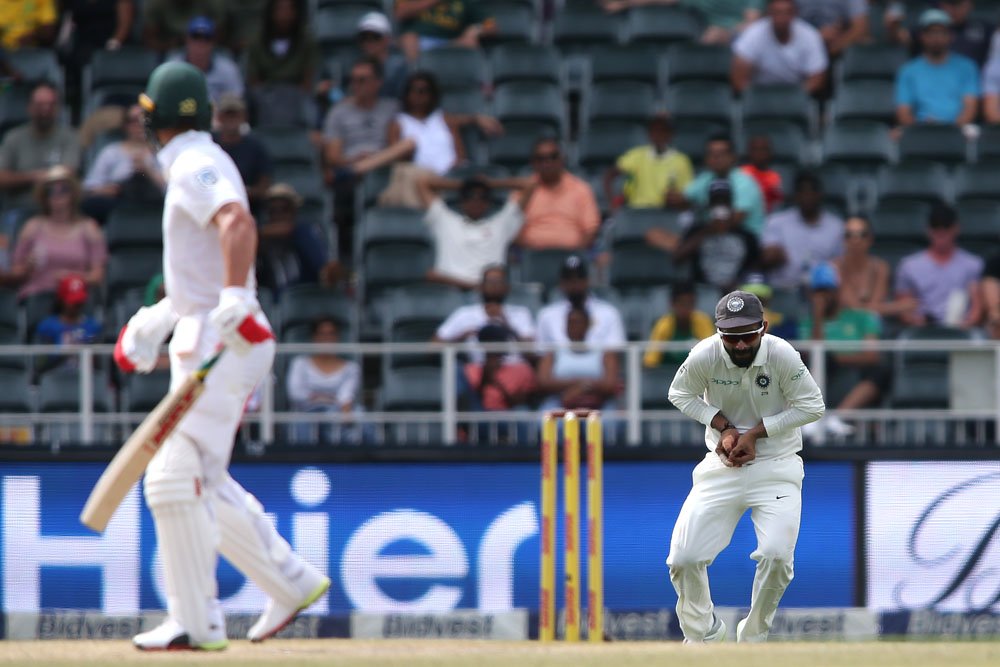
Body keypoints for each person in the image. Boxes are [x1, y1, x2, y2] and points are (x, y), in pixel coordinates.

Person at [113, 62, 328, 651]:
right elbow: (199, 278)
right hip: (212, 334)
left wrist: (235, 297)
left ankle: (196, 622)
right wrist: (155, 322)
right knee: (199, 478)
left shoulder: (193, 163)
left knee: (171, 479)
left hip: (223, 341)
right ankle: (289, 581)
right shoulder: (195, 160)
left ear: (153, 118)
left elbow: (237, 221)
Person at [666, 289, 824, 643]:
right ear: (719, 332)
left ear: (763, 328)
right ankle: (704, 636)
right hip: (721, 466)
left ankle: (753, 639)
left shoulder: (781, 354)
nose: (739, 345)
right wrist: (723, 428)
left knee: (777, 557)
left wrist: (755, 434)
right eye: (730, 337)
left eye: (748, 336)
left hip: (777, 465)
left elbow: (813, 405)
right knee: (684, 558)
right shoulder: (706, 353)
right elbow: (679, 393)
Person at [798, 262, 887, 441]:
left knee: (881, 370)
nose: (824, 296)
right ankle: (811, 417)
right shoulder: (808, 323)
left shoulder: (861, 317)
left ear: (837, 291)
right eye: (818, 291)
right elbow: (814, 352)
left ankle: (837, 418)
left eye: (828, 290)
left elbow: (872, 355)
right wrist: (818, 316)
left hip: (854, 369)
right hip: (823, 368)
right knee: (813, 361)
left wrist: (838, 358)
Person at [416, 173, 536, 290]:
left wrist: (488, 183)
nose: (476, 201)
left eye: (482, 197)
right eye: (470, 196)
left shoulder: (501, 224)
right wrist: (467, 184)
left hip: (488, 294)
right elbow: (422, 183)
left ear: (488, 203)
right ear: (462, 201)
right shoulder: (445, 220)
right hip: (449, 291)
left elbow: (528, 184)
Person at [5, 166, 107, 299]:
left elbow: (98, 276)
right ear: (44, 196)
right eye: (50, 191)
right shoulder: (32, 226)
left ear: (73, 194)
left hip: (75, 297)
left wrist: (71, 277)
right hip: (38, 295)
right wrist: (27, 266)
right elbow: (15, 271)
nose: (57, 195)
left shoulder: (89, 227)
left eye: (64, 189)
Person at [652, 179, 761, 293]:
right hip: (702, 292)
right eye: (716, 202)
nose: (720, 206)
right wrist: (708, 231)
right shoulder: (696, 230)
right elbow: (677, 258)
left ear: (730, 205)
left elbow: (755, 267)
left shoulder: (746, 236)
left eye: (724, 202)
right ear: (709, 206)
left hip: (735, 292)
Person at [894, 202, 983, 329]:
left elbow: (976, 307)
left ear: (956, 228)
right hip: (922, 330)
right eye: (936, 228)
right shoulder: (909, 266)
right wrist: (915, 320)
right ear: (928, 230)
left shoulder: (973, 264)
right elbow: (903, 307)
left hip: (961, 330)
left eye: (946, 228)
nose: (941, 233)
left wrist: (967, 324)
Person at [0, 82, 81, 212]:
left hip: (58, 210)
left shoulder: (69, 137)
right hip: (19, 207)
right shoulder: (13, 138)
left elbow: (68, 173)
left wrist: (42, 177)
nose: (45, 110)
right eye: (40, 105)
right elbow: (2, 178)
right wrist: (34, 176)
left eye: (51, 105)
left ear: (58, 108)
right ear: (29, 107)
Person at [760, 171, 844, 290]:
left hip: (821, 291)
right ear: (796, 196)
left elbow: (841, 263)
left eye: (811, 192)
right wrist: (773, 255)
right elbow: (765, 257)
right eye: (802, 192)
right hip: (783, 289)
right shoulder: (776, 222)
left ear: (819, 195)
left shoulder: (836, 227)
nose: (807, 197)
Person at [895, 9, 980, 128]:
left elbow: (970, 109)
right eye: (931, 32)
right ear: (922, 36)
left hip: (958, 131)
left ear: (951, 36)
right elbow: (903, 112)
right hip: (921, 130)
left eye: (941, 32)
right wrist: (920, 130)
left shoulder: (967, 67)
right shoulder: (908, 70)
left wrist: (950, 131)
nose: (936, 38)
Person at [82, 104, 166, 222]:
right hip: (118, 205)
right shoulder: (111, 152)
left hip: (155, 205)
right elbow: (89, 187)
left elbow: (172, 188)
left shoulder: (164, 152)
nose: (140, 124)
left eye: (145, 119)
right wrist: (105, 189)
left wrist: (148, 170)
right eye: (134, 120)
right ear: (125, 125)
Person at [286, 317, 363, 445]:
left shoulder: (351, 368)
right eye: (322, 334)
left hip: (336, 411)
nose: (327, 338)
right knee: (301, 421)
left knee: (359, 416)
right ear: (314, 337)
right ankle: (303, 455)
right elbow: (296, 394)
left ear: (337, 337)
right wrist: (327, 399)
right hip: (307, 411)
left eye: (331, 334)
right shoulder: (300, 364)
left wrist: (319, 397)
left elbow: (345, 397)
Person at [516, 138, 602, 251]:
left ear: (562, 159)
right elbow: (511, 227)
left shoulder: (581, 189)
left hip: (571, 254)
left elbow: (591, 229)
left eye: (553, 156)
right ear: (533, 163)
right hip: (531, 255)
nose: (547, 163)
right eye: (541, 158)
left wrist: (577, 252)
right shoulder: (523, 190)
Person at [246, 0, 320, 127]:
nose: (285, 15)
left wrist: (291, 99)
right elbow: (254, 81)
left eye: (289, 9)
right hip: (265, 98)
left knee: (310, 107)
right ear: (271, 12)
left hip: (297, 97)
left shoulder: (307, 42)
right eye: (280, 9)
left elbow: (308, 79)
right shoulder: (257, 42)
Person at [731, 0, 828, 95]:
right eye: (777, 13)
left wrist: (795, 97)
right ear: (768, 14)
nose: (781, 18)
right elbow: (739, 77)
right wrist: (754, 97)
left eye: (787, 13)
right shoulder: (752, 34)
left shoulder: (810, 35)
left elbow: (817, 77)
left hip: (797, 94)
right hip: (760, 94)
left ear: (795, 14)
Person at [677, 134, 766, 237]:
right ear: (706, 158)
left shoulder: (745, 182)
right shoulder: (705, 178)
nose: (716, 158)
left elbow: (731, 222)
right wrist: (677, 199)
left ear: (733, 157)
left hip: (745, 237)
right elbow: (682, 200)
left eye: (721, 153)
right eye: (711, 154)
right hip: (712, 234)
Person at [537, 305, 621, 414]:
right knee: (547, 417)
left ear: (588, 325)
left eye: (577, 322)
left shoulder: (603, 352)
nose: (573, 327)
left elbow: (610, 384)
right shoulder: (554, 352)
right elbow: (543, 381)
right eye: (570, 323)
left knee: (610, 420)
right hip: (560, 400)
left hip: (598, 402)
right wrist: (579, 385)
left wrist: (583, 388)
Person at [603, 113, 695, 210]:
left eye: (663, 130)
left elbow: (688, 197)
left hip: (666, 213)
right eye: (655, 130)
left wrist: (677, 200)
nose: (658, 135)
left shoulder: (682, 161)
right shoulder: (635, 155)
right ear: (649, 133)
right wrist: (612, 202)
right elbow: (610, 175)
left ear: (670, 134)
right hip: (637, 212)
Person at [536, 255, 626, 347]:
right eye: (568, 278)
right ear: (561, 283)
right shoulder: (547, 315)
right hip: (560, 357)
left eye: (579, 277)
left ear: (588, 280)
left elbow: (614, 351)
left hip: (596, 357)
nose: (574, 282)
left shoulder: (609, 313)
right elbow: (542, 352)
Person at [256, 183, 330, 293]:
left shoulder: (304, 232)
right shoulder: (263, 242)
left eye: (284, 209)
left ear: (294, 211)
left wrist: (258, 233)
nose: (278, 215)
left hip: (304, 296)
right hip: (274, 298)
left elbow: (324, 269)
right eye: (273, 211)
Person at [831, 215, 902, 318]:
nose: (855, 239)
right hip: (842, 325)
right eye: (849, 235)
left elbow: (873, 310)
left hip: (872, 324)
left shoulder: (880, 268)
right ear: (843, 240)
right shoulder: (834, 268)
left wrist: (879, 308)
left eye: (862, 235)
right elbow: (853, 307)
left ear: (870, 239)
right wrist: (895, 307)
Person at [600, 0, 762, 45]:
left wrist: (730, 34)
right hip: (716, 40)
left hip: (751, 41)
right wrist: (625, 3)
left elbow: (753, 22)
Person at [212, 95, 272, 209]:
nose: (231, 119)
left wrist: (238, 193)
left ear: (244, 117)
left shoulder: (255, 147)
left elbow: (264, 187)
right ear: (219, 117)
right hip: (213, 206)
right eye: (227, 115)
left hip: (248, 208)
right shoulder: (210, 144)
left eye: (235, 115)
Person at [34, 273, 102, 372]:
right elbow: (41, 363)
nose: (77, 305)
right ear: (62, 300)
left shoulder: (92, 326)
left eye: (79, 301)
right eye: (73, 301)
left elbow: (98, 363)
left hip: (86, 376)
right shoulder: (48, 326)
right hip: (56, 377)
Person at [169, 16, 244, 105]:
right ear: (187, 39)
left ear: (213, 42)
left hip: (217, 112)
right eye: (196, 37)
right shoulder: (172, 67)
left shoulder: (228, 69)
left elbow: (237, 102)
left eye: (206, 38)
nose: (200, 43)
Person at [394, 0, 496, 62]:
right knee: (409, 38)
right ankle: (416, 77)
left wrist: (478, 30)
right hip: (420, 42)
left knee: (472, 39)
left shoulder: (463, 2)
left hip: (453, 43)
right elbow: (400, 13)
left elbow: (490, 24)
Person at [643, 282, 716, 368]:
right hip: (666, 374)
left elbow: (712, 356)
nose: (686, 308)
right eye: (682, 304)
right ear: (672, 304)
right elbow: (650, 361)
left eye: (690, 303)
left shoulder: (703, 321)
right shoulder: (663, 325)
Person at [355, 12, 410, 99]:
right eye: (364, 38)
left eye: (375, 37)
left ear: (387, 39)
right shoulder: (358, 66)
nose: (369, 42)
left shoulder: (399, 66)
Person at [142, 0, 229, 54]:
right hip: (168, 49)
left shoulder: (212, 3)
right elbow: (149, 38)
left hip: (207, 47)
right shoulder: (156, 3)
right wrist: (171, 45)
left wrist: (200, 43)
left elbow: (220, 33)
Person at [795, 0, 869, 57]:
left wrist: (833, 48)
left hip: (839, 48)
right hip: (801, 47)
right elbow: (789, 23)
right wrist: (816, 37)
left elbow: (860, 27)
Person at [740, 135, 783, 214]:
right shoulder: (741, 173)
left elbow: (777, 203)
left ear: (770, 152)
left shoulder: (775, 177)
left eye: (763, 149)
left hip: (770, 217)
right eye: (756, 149)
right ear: (749, 152)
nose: (760, 153)